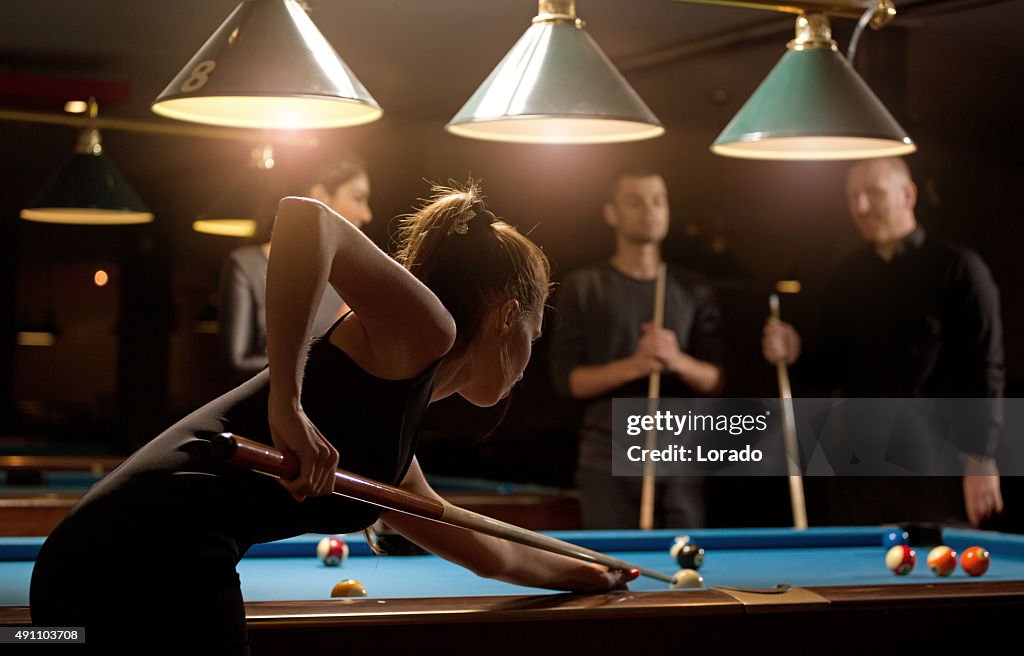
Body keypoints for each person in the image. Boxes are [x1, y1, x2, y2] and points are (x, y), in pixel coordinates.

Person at [30, 183, 634, 652]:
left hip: (120, 562)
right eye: (538, 326)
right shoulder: (426, 333)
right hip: (135, 559)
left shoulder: (395, 442)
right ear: (507, 317)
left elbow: (489, 551)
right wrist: (286, 404)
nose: (533, 354)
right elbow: (304, 217)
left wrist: (590, 574)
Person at [762, 157, 1005, 528]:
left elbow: (986, 368)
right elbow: (830, 369)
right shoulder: (846, 276)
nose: (861, 207)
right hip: (862, 466)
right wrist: (794, 351)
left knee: (936, 579)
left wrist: (981, 457)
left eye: (873, 194)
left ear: (908, 195)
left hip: (937, 467)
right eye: (852, 197)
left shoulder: (959, 268)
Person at [549, 169, 725, 529]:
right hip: (606, 456)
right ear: (611, 213)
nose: (650, 210)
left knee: (686, 575)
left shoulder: (693, 288)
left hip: (681, 455)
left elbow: (716, 379)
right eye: (635, 201)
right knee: (615, 574)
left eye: (658, 200)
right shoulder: (584, 287)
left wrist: (675, 360)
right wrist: (636, 364)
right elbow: (567, 380)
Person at [217, 155, 373, 385]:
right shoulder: (246, 265)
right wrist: (327, 361)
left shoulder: (351, 277)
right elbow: (236, 363)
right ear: (321, 197)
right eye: (358, 199)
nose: (367, 214)